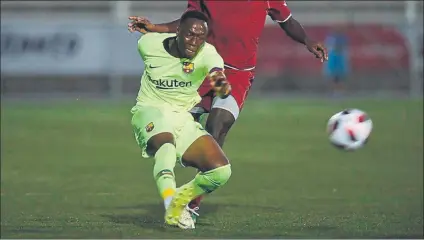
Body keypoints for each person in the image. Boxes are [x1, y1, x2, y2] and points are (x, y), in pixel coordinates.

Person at [128, 0, 328, 222]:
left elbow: (287, 20)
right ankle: (171, 162)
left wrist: (307, 40)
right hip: (201, 66)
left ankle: (191, 202)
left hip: (237, 74)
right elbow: (189, 22)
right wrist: (156, 28)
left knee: (218, 124)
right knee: (175, 124)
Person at [130, 10, 232, 229]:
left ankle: (179, 200)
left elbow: (217, 74)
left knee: (221, 171)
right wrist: (153, 27)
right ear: (177, 31)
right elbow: (154, 35)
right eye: (189, 35)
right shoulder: (148, 45)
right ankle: (170, 204)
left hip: (182, 118)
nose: (194, 42)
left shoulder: (208, 54)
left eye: (200, 37)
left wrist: (221, 86)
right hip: (149, 110)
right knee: (166, 147)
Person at [323, 26, 349, 97]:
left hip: (339, 60)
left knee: (339, 77)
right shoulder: (330, 38)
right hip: (333, 60)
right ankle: (333, 92)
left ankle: (339, 92)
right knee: (332, 77)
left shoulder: (342, 39)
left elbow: (343, 48)